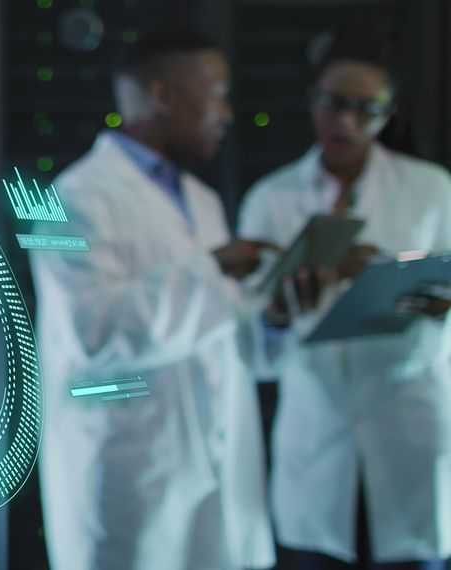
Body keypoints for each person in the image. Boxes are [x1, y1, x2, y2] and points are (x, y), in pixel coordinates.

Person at [32, 30, 277, 570]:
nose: (227, 114)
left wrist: (273, 313)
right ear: (164, 96)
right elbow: (92, 331)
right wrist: (212, 268)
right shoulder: (72, 199)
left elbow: (217, 325)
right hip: (133, 467)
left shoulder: (202, 200)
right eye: (217, 95)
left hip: (210, 462)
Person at [238, 26, 451, 570]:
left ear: (388, 112)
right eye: (334, 103)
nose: (347, 122)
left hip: (408, 410)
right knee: (318, 554)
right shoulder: (271, 198)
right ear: (313, 98)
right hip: (316, 417)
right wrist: (280, 309)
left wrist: (435, 300)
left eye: (366, 109)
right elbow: (248, 332)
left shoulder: (431, 188)